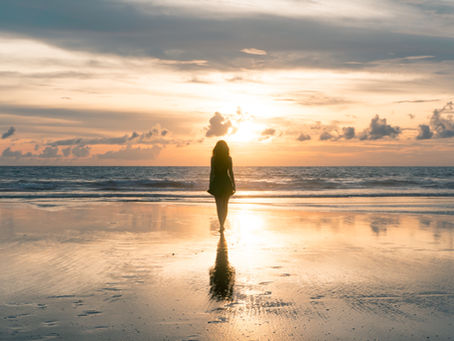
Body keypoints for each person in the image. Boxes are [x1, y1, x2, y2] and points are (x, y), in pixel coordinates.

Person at [207, 140, 235, 230]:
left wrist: (210, 184)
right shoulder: (229, 158)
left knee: (218, 205)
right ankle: (222, 223)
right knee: (225, 204)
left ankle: (221, 225)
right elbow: (231, 172)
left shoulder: (213, 158)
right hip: (226, 182)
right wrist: (234, 184)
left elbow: (212, 173)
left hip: (217, 182)